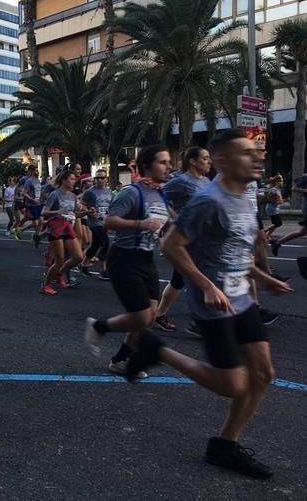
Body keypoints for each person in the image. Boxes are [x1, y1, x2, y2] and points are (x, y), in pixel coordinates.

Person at [127, 128, 292, 479]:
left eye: (257, 152)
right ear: (223, 161)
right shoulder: (208, 201)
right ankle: (158, 352)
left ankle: (225, 446)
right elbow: (171, 246)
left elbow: (235, 252)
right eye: (248, 153)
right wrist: (204, 286)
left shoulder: (245, 194)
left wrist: (265, 279)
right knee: (232, 384)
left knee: (263, 374)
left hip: (241, 296)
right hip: (213, 302)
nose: (258, 157)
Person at [84, 144, 172, 378]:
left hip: (146, 258)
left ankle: (120, 360)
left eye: (168, 162)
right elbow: (109, 222)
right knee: (141, 315)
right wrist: (140, 224)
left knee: (149, 318)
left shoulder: (161, 193)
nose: (168, 166)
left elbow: (166, 221)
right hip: (124, 258)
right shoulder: (131, 193)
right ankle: (98, 327)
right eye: (163, 162)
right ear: (147, 165)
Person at [152, 147, 212, 332]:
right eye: (205, 158)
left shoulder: (206, 181)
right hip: (185, 240)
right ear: (193, 161)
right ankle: (200, 319)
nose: (209, 161)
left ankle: (160, 314)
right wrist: (174, 217)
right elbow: (158, 195)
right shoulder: (181, 181)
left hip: (202, 238)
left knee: (182, 279)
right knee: (195, 277)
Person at [39, 170, 85, 295]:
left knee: (78, 257)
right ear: (64, 180)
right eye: (71, 179)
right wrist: (57, 212)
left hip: (68, 228)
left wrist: (87, 213)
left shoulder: (73, 196)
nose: (74, 181)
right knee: (59, 260)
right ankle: (45, 284)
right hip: (56, 228)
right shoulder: (55, 194)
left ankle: (59, 274)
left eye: (74, 179)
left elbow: (74, 214)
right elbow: (43, 212)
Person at [80, 169, 114, 280]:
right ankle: (103, 270)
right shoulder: (90, 192)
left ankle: (84, 264)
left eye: (102, 178)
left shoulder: (109, 192)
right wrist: (89, 210)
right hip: (94, 222)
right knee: (106, 243)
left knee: (96, 244)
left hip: (104, 221)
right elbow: (82, 204)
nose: (99, 180)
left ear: (106, 179)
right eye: (97, 178)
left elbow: (112, 206)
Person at [263, 175, 283, 240]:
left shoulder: (277, 189)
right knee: (278, 223)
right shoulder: (274, 190)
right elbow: (268, 199)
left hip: (274, 209)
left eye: (282, 181)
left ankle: (267, 236)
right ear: (276, 182)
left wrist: (281, 201)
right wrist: (277, 202)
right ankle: (263, 233)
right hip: (271, 209)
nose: (282, 182)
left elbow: (277, 199)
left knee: (274, 224)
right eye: (280, 181)